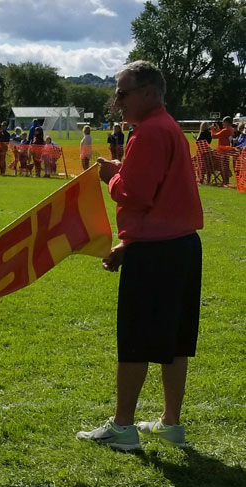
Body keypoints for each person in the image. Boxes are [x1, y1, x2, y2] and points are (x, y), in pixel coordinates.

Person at [77, 60, 203, 451]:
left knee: (135, 339)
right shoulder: (169, 127)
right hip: (182, 247)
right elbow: (160, 195)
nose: (117, 102)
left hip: (156, 255)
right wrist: (123, 172)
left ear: (147, 92)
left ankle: (122, 428)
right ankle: (171, 424)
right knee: (175, 342)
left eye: (122, 93)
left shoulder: (148, 132)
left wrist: (110, 177)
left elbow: (135, 195)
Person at [211, 116, 234, 186]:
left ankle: (225, 181)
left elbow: (214, 136)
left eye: (223, 122)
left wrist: (212, 130)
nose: (222, 123)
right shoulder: (231, 129)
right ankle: (226, 181)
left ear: (226, 122)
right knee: (225, 166)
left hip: (222, 150)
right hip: (227, 150)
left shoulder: (225, 130)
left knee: (222, 166)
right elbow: (221, 134)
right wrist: (218, 129)